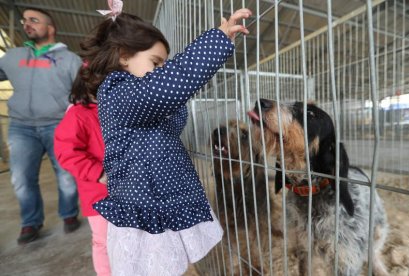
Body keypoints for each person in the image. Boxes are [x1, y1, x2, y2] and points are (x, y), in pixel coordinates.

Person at [80, 7, 251, 275]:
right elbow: (168, 87)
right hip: (145, 212)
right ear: (124, 56)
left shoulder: (143, 101)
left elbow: (171, 115)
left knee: (175, 266)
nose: (161, 71)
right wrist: (215, 42)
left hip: (165, 203)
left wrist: (174, 99)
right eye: (156, 62)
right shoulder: (117, 92)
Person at [0, 8, 81, 245]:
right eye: (25, 21)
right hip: (21, 126)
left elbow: (82, 93)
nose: (27, 24)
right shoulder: (13, 56)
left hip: (58, 124)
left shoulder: (70, 60)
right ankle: (31, 222)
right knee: (22, 177)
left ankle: (69, 215)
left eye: (34, 21)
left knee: (66, 174)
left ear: (51, 28)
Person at [54, 72, 110, 276]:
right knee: (103, 240)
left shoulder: (116, 111)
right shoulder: (78, 114)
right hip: (98, 195)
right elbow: (66, 152)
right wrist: (98, 172)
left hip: (126, 191)